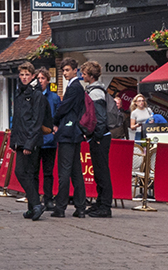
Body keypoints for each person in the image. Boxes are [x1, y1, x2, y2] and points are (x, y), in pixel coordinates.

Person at [9, 62, 49, 221]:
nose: (24, 77)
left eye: (27, 75)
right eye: (22, 75)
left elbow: (36, 121)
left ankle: (36, 204)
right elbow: (17, 120)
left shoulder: (36, 94)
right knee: (27, 174)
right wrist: (14, 142)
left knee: (23, 172)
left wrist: (29, 144)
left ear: (33, 76)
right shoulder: (20, 92)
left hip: (30, 141)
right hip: (21, 139)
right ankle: (33, 207)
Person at [51, 58, 87, 218]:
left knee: (64, 172)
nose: (64, 73)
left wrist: (54, 121)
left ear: (75, 70)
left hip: (68, 132)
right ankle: (80, 207)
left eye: (67, 70)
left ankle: (60, 207)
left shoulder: (74, 87)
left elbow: (63, 107)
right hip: (74, 133)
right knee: (75, 172)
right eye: (63, 70)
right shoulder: (76, 87)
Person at [81, 61, 113, 218]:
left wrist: (97, 136)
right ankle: (100, 202)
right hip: (99, 136)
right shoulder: (96, 90)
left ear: (90, 76)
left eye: (84, 74)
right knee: (99, 171)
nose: (82, 76)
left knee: (102, 172)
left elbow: (99, 117)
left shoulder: (96, 92)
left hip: (100, 137)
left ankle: (105, 206)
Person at [36, 68, 59, 200]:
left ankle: (48, 198)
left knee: (48, 172)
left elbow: (58, 116)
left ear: (48, 81)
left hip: (50, 141)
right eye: (38, 78)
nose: (40, 81)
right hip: (36, 139)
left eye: (43, 78)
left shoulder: (54, 97)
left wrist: (56, 127)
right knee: (33, 171)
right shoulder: (32, 96)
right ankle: (34, 197)